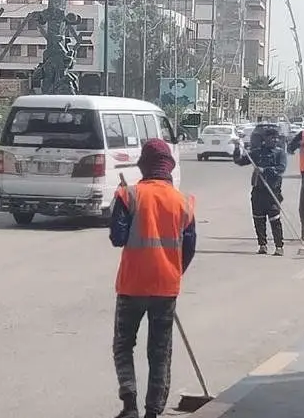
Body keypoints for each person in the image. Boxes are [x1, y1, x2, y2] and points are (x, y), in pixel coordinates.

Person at [108, 138, 198, 418]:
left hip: (132, 285)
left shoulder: (129, 195)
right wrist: (171, 272)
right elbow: (190, 248)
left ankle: (130, 403)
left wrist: (118, 206)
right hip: (165, 288)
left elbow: (117, 238)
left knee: (124, 344)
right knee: (160, 351)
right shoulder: (183, 202)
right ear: (168, 168)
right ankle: (152, 412)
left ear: (144, 166)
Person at [232, 124, 288, 255]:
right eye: (271, 138)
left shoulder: (280, 153)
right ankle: (262, 245)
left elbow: (281, 169)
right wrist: (237, 147)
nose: (274, 140)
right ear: (265, 139)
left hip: (273, 191)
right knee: (258, 219)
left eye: (276, 138)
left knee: (275, 219)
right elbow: (239, 161)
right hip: (258, 190)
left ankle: (279, 247)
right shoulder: (257, 153)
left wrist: (265, 170)